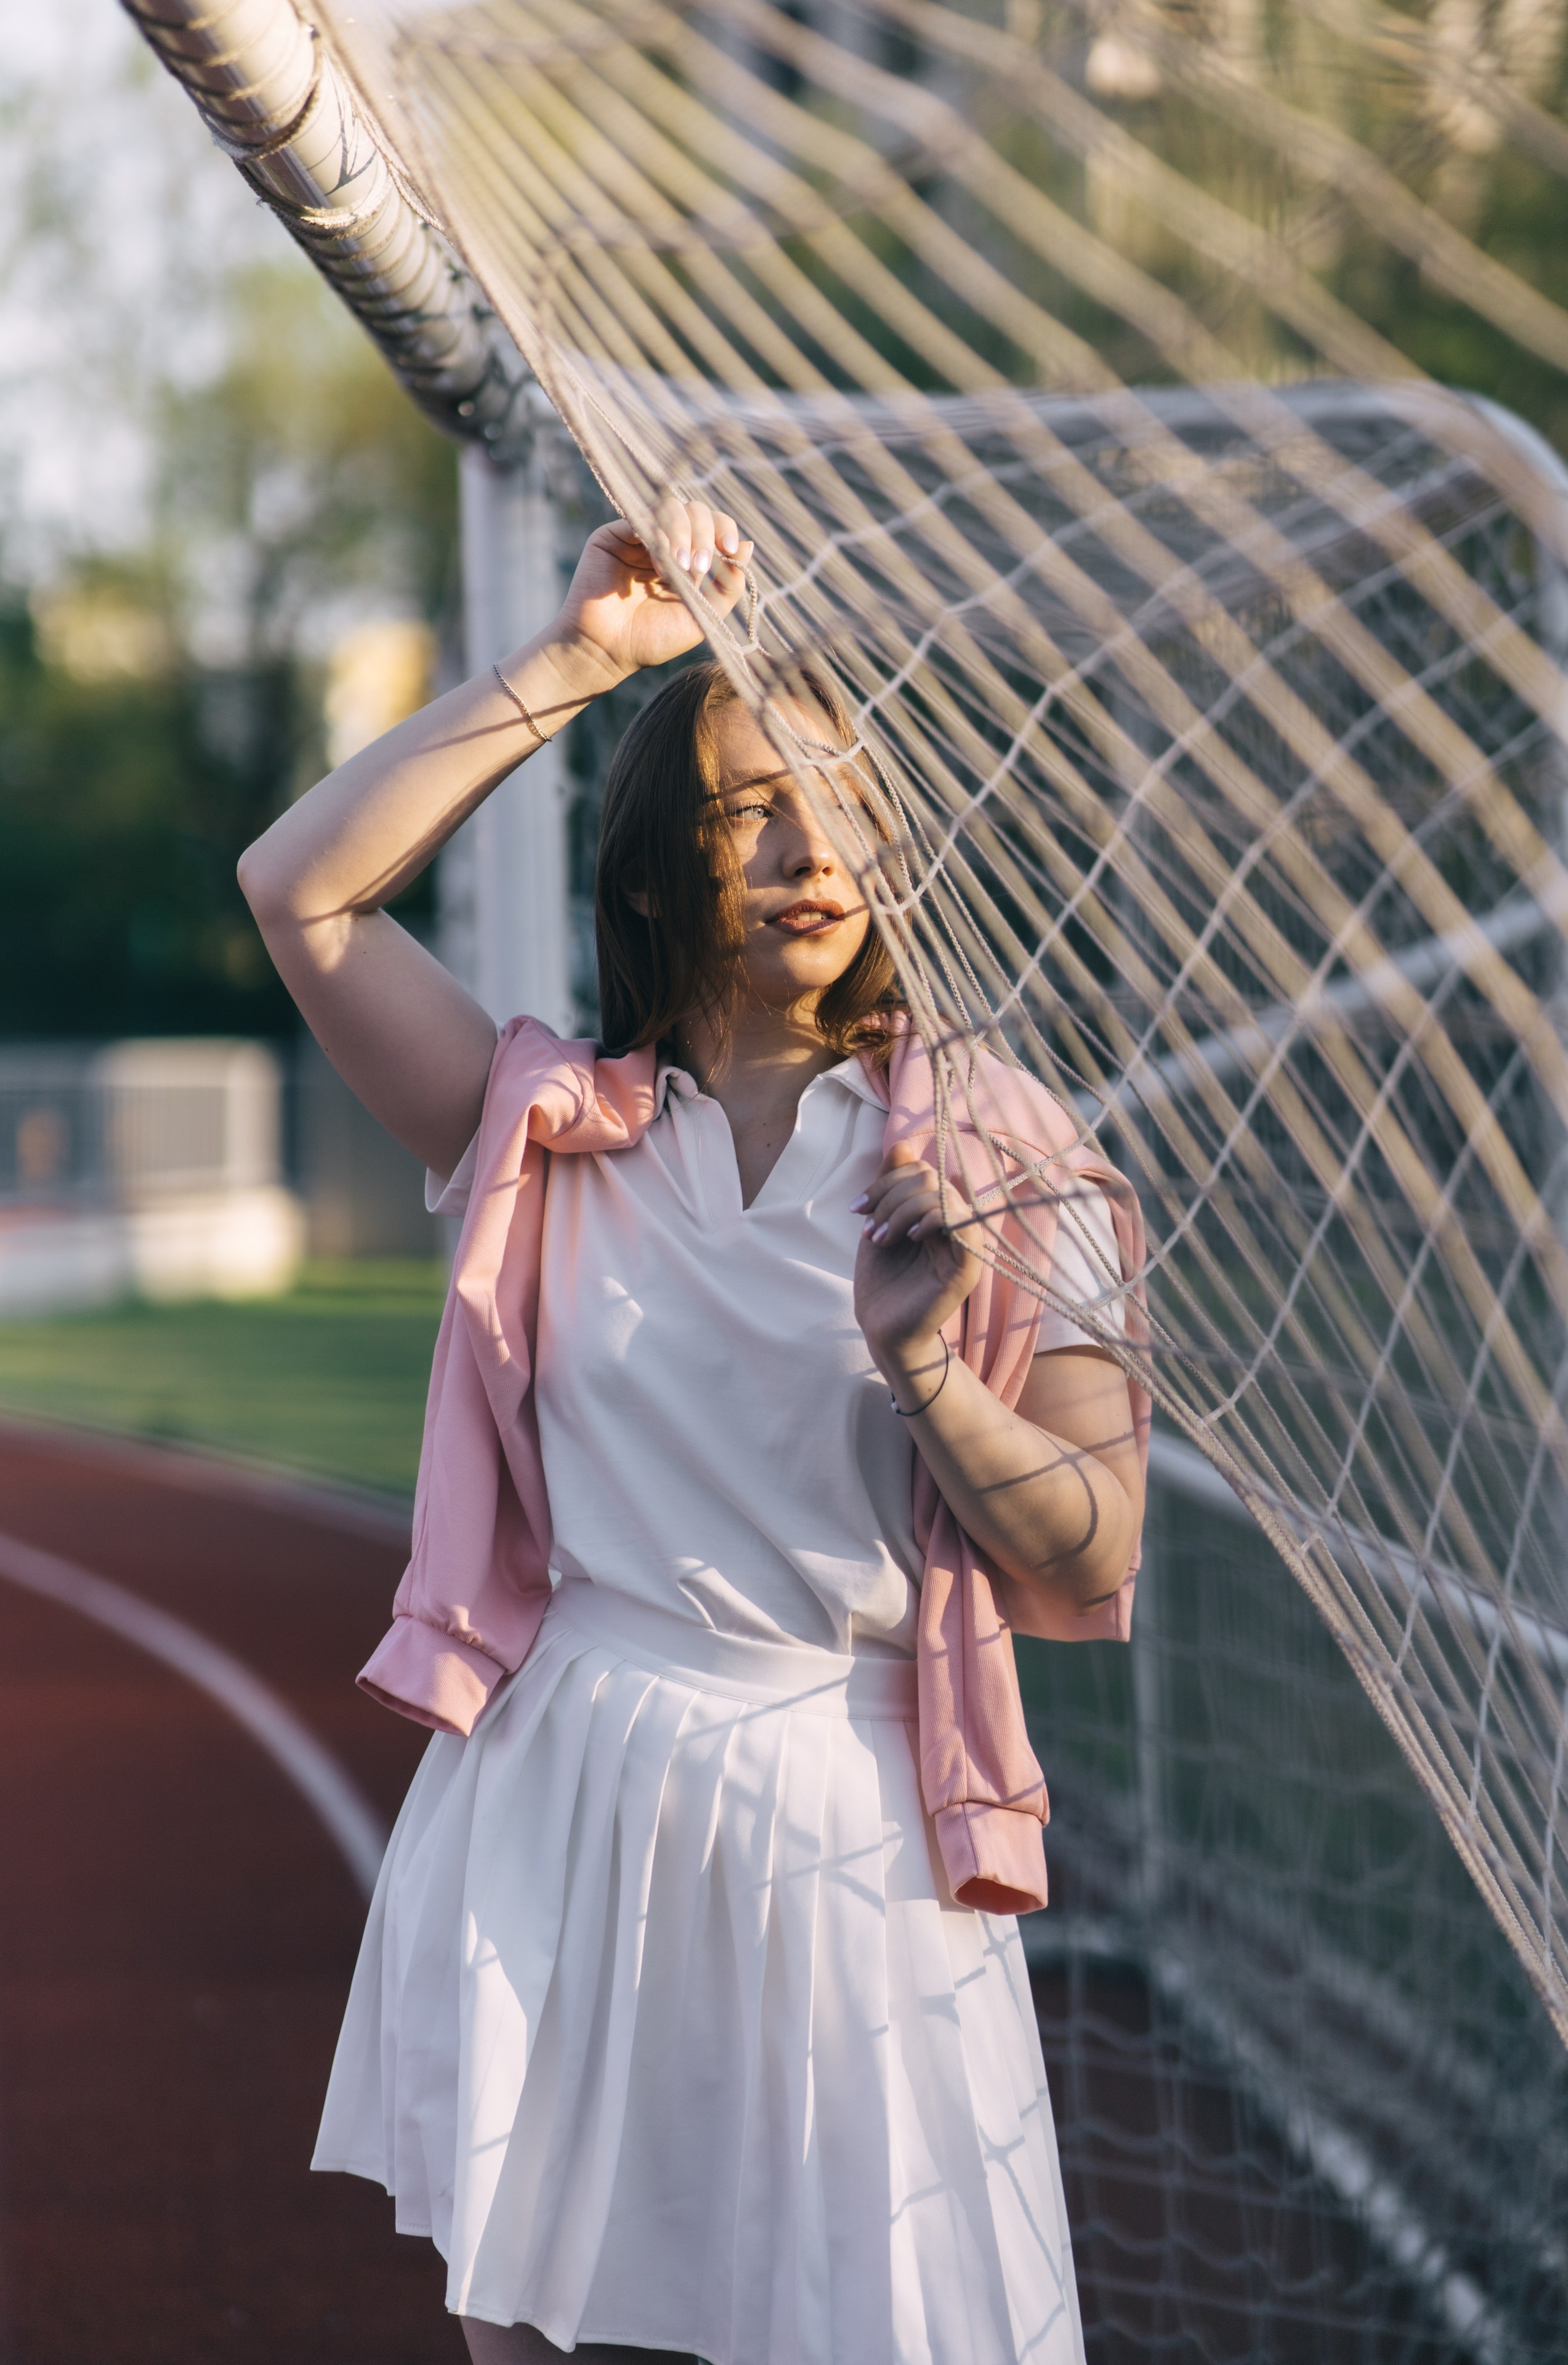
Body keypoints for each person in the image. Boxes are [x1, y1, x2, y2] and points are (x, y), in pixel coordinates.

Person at [238, 499, 1148, 2365]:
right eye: (751, 807)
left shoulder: (1001, 1149)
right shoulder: (552, 1125)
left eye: (842, 800)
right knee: (549, 2339)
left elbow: (1093, 1545)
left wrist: (930, 1370)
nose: (812, 850)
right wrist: (582, 663)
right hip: (570, 1792)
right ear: (662, 869)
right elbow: (300, 891)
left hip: (856, 1828)